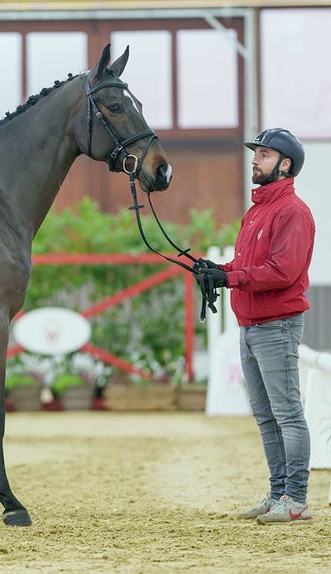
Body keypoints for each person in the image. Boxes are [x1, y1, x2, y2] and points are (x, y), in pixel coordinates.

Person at [194, 128, 315, 524]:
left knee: (287, 414)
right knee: (266, 416)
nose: (254, 160)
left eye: (263, 154)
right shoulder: (258, 210)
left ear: (285, 164)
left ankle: (295, 499)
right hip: (251, 326)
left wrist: (231, 279)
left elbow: (282, 270)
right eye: (256, 154)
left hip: (276, 325)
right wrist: (218, 270)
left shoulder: (293, 212)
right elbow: (248, 264)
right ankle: (279, 492)